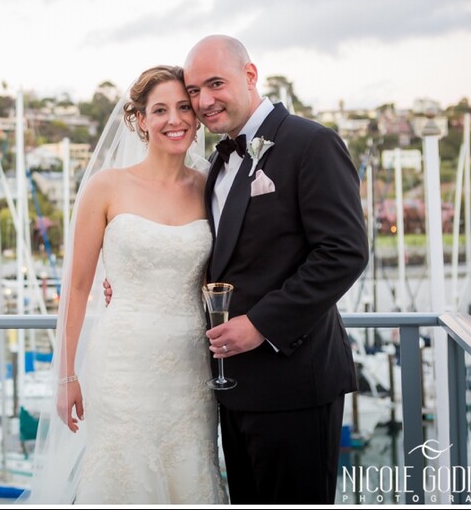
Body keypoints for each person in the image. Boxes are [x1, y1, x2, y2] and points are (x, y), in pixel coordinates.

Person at [106, 35, 368, 503]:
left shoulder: (312, 143)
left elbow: (343, 252)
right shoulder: (214, 166)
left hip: (295, 383)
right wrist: (131, 278)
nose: (204, 101)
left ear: (250, 76)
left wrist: (262, 325)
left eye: (215, 84)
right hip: (228, 390)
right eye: (195, 91)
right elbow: (208, 255)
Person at [24, 65, 227, 504]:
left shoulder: (211, 187)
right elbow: (77, 288)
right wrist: (66, 377)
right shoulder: (105, 187)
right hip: (122, 366)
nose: (175, 120)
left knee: (190, 474)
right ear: (139, 120)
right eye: (160, 110)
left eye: (183, 108)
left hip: (191, 369)